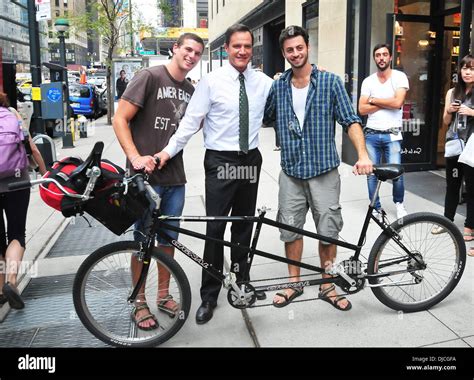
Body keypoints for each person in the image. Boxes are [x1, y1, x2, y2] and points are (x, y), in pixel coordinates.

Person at [156, 24, 273, 324]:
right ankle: (210, 295)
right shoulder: (210, 82)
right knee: (216, 228)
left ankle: (241, 281)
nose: (243, 51)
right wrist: (167, 152)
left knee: (244, 225)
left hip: (250, 159)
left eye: (247, 46)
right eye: (237, 46)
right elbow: (190, 123)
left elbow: (287, 96)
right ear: (227, 49)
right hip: (220, 161)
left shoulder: (263, 82)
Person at [264, 26, 373, 311]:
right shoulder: (278, 87)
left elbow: (351, 120)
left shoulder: (330, 82)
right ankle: (294, 283)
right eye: (289, 50)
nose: (295, 53)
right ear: (283, 53)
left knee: (327, 230)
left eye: (299, 47)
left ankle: (327, 284)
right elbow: (264, 117)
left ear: (308, 47)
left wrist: (362, 154)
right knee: (290, 229)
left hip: (324, 172)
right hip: (291, 173)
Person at [112, 33, 204, 330]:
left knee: (167, 241)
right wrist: (135, 157)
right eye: (187, 49)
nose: (191, 56)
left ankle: (163, 295)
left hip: (174, 178)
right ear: (175, 49)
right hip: (144, 179)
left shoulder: (191, 89)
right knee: (142, 241)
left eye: (197, 53)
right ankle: (139, 302)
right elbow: (119, 118)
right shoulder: (149, 77)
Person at [0, 92, 46, 309]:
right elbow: (31, 147)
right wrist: (45, 173)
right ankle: (11, 281)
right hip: (17, 182)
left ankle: (0, 290)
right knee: (17, 233)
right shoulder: (12, 113)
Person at [358, 43, 409, 221]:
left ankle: (399, 204)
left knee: (397, 172)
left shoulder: (400, 77)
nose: (381, 58)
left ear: (390, 57)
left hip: (392, 134)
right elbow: (361, 109)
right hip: (371, 134)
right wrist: (387, 102)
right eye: (378, 55)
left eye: (384, 54)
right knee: (372, 173)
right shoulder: (368, 81)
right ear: (375, 58)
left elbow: (398, 103)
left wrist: (373, 100)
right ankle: (376, 207)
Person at [432, 54, 473, 243]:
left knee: (472, 188)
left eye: (472, 68)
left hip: (471, 148)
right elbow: (445, 123)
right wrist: (449, 111)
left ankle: (469, 226)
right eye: (465, 68)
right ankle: (447, 221)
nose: (467, 72)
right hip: (455, 146)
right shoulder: (452, 92)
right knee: (453, 185)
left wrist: (472, 112)